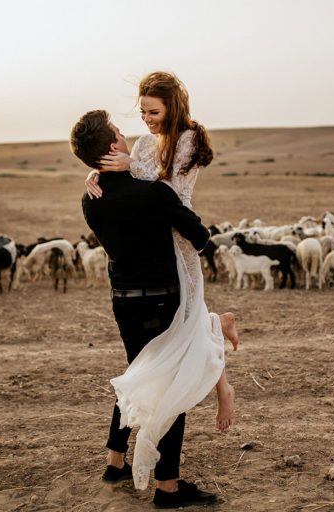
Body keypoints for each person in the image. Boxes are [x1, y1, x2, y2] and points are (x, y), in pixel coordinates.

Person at [73, 109, 218, 508]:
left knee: (137, 375)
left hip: (122, 301)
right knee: (170, 388)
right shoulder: (151, 193)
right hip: (161, 300)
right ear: (113, 146)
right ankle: (168, 489)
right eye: (119, 131)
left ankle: (114, 461)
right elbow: (199, 235)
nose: (125, 132)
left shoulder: (91, 197)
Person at [85, 71, 237, 434]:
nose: (146, 120)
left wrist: (129, 167)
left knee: (185, 318)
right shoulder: (141, 145)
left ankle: (222, 385)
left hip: (179, 237)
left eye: (153, 113)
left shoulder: (189, 137)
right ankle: (219, 330)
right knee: (185, 322)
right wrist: (96, 173)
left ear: (172, 107)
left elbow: (169, 186)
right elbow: (130, 184)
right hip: (151, 237)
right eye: (142, 113)